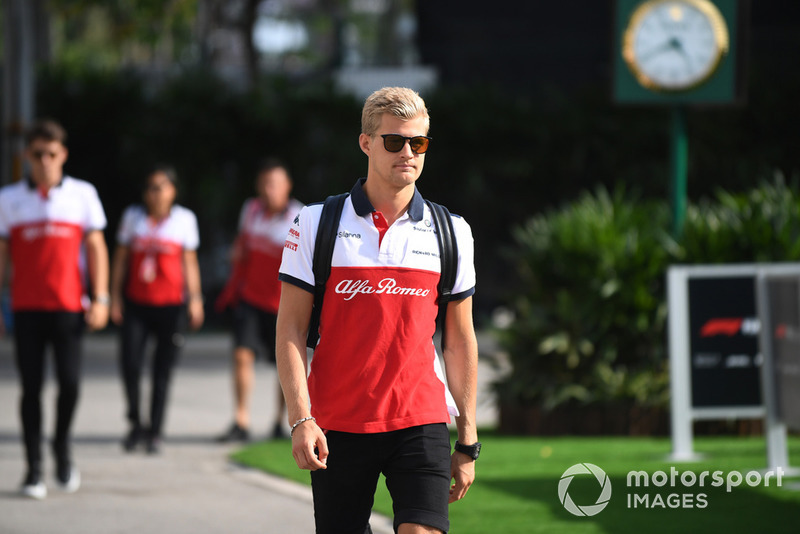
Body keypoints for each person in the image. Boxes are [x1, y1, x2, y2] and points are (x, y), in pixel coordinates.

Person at [276, 87, 480, 533]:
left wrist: (468, 439)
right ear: (366, 143)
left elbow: (460, 341)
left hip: (420, 418)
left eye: (418, 143)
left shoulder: (452, 231)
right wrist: (301, 418)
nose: (407, 152)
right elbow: (289, 329)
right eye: (394, 141)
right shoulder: (315, 223)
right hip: (338, 424)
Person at [0, 119, 110, 499]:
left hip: (68, 308)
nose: (45, 160)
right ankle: (33, 470)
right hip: (26, 309)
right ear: (26, 156)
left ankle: (62, 449)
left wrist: (102, 298)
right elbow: (2, 256)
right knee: (30, 389)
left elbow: (96, 247)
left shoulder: (82, 195)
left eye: (52, 153)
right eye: (37, 154)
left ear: (62, 154)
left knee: (70, 384)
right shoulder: (9, 199)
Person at [110, 166, 204, 454]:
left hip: (170, 306)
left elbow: (189, 261)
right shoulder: (132, 217)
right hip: (136, 304)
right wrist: (113, 296)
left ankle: (155, 431)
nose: (155, 192)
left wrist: (196, 299)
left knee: (162, 370)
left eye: (160, 186)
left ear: (173, 190)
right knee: (130, 365)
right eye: (150, 187)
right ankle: (135, 424)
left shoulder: (184, 220)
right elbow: (121, 259)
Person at [215, 158, 304, 442]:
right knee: (241, 354)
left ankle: (281, 421)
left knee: (285, 363)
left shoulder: (300, 216)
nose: (269, 190)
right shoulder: (251, 210)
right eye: (265, 184)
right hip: (250, 298)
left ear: (287, 186)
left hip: (282, 303)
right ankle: (240, 420)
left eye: (275, 184)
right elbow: (243, 243)